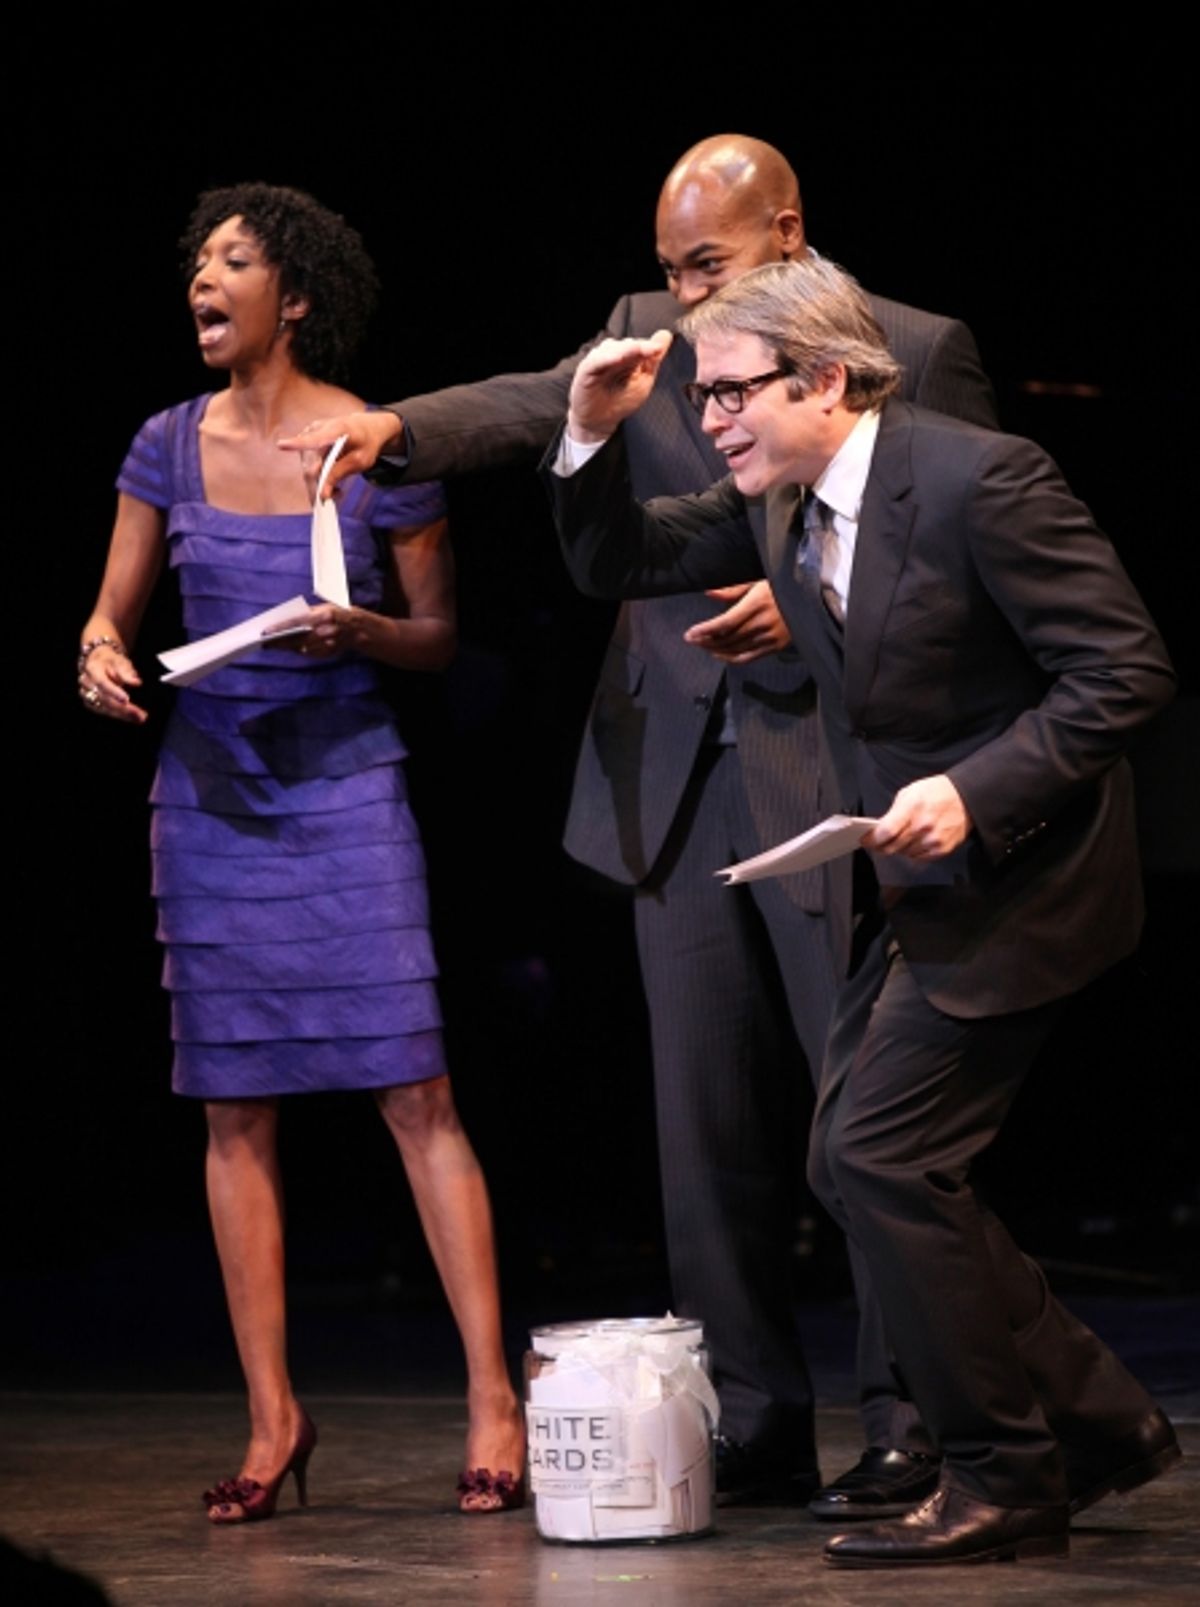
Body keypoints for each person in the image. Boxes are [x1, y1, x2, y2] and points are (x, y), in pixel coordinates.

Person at [281, 135, 997, 1509]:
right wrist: (402, 428)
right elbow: (538, 402)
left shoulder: (918, 346)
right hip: (670, 773)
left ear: (789, 233)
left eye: (708, 266)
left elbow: (963, 539)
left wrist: (815, 594)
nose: (682, 301)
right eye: (669, 273)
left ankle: (910, 1414)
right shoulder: (645, 331)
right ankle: (757, 1417)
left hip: (830, 775)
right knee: (705, 1133)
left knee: (860, 1130)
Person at [543, 255, 1180, 1565]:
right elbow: (622, 556)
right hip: (918, 876)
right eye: (703, 397)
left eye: (731, 394)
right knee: (860, 1157)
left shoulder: (976, 479)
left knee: (882, 1156)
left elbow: (1125, 670)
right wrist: (590, 436)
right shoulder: (779, 500)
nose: (711, 422)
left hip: (1032, 871)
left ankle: (1009, 1470)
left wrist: (979, 788)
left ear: (825, 376)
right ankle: (1099, 1422)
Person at [78, 183, 524, 1522]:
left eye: (232, 263)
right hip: (210, 798)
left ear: (299, 296)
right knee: (234, 1110)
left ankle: (491, 1394)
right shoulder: (165, 442)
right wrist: (99, 657)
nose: (203, 283)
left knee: (417, 1094)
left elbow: (438, 636)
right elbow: (109, 616)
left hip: (343, 787)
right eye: (196, 264)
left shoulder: (380, 447)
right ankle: (274, 1417)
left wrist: (367, 636)